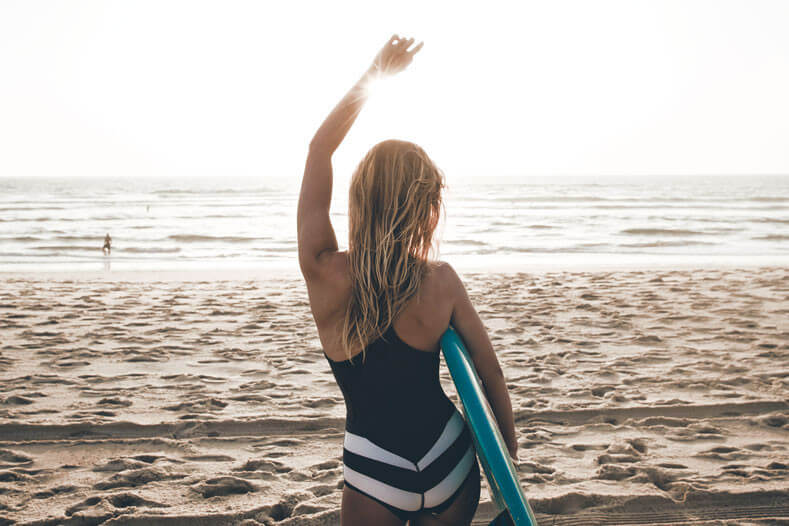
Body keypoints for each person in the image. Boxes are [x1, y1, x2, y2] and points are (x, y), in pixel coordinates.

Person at [297, 35, 518, 526]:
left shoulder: (323, 269)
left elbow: (319, 149)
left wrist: (374, 74)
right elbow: (491, 374)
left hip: (374, 467)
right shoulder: (439, 282)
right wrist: (510, 474)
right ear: (424, 209)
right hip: (450, 460)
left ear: (360, 198)